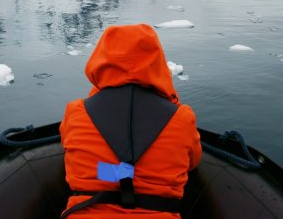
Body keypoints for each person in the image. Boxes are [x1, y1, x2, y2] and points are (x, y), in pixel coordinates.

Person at [60, 23, 202, 218]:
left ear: (101, 60)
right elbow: (192, 162)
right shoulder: (182, 118)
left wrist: (117, 173)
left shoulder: (76, 113)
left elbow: (72, 157)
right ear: (157, 61)